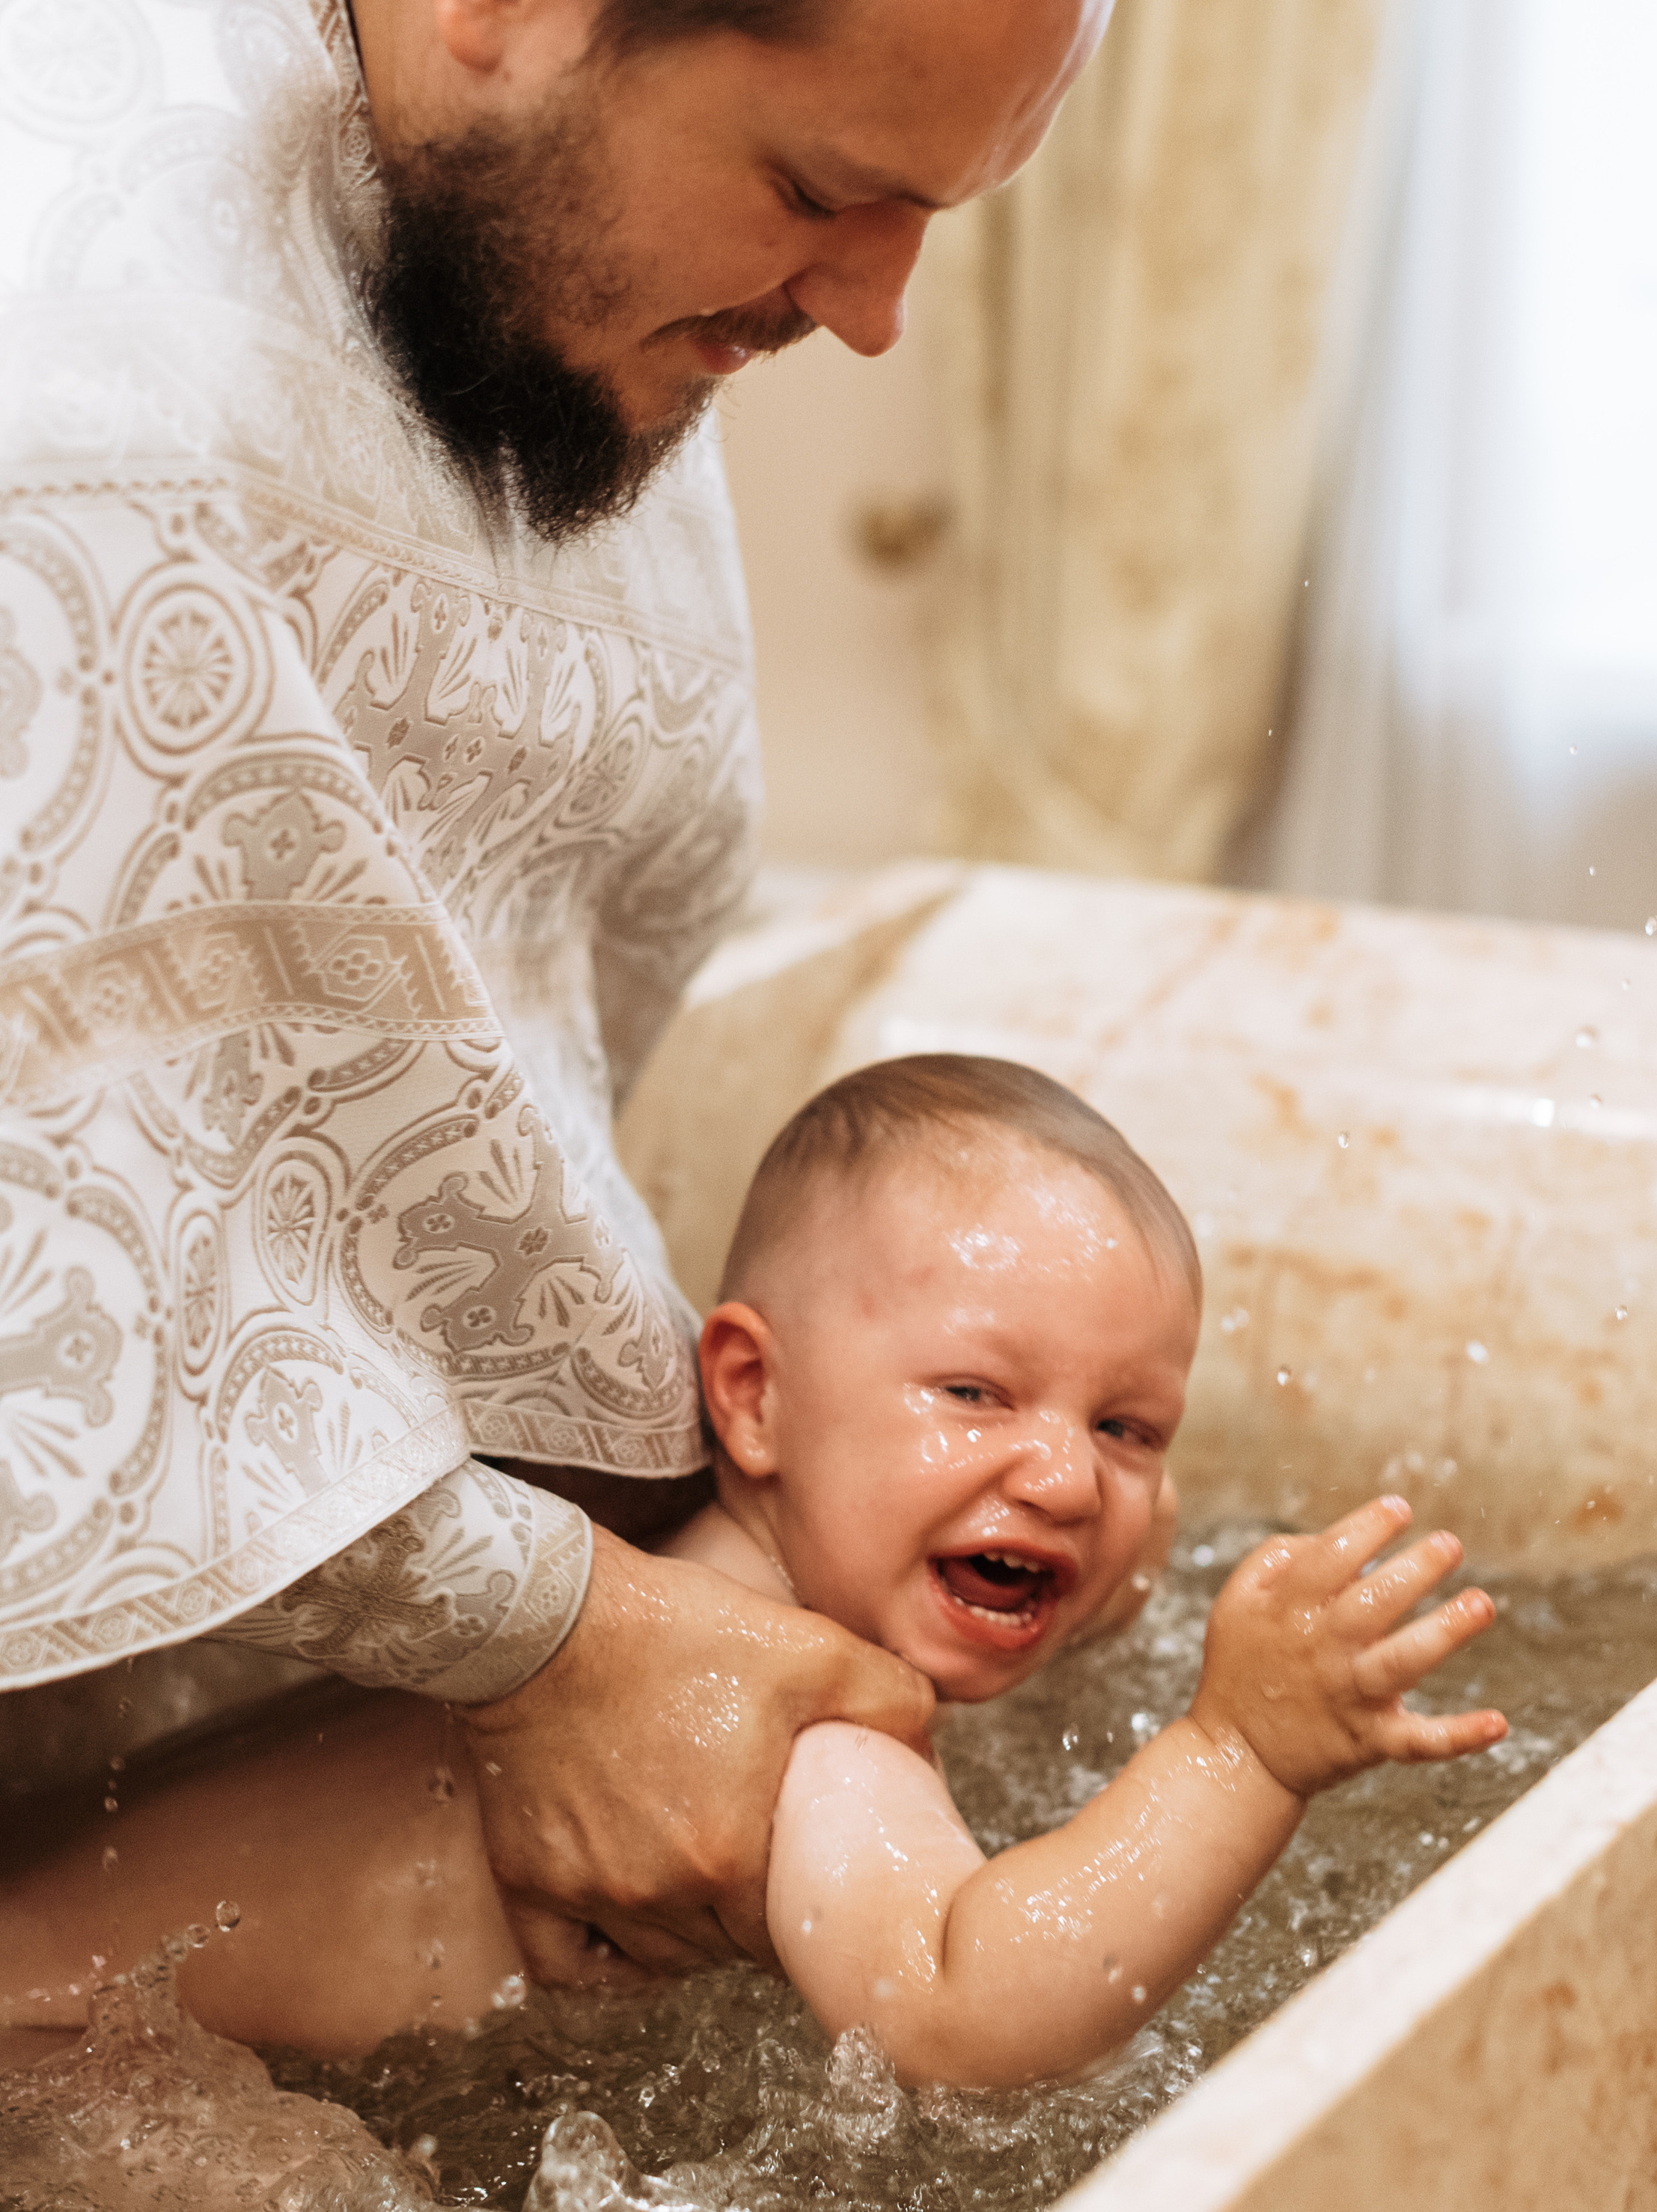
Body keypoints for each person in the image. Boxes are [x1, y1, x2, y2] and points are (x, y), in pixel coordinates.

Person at [0, 0, 1107, 1952]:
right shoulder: (68, 388)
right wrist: (542, 1639)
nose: (873, 314)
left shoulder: (516, 275)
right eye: (822, 189)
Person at [1, 1060, 1507, 2083]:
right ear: (752, 1395)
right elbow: (956, 2010)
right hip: (53, 2067)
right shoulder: (776, 1721)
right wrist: (1232, 1749)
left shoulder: (637, 1566)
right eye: (974, 1396)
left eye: (1125, 1428)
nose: (1060, 1479)